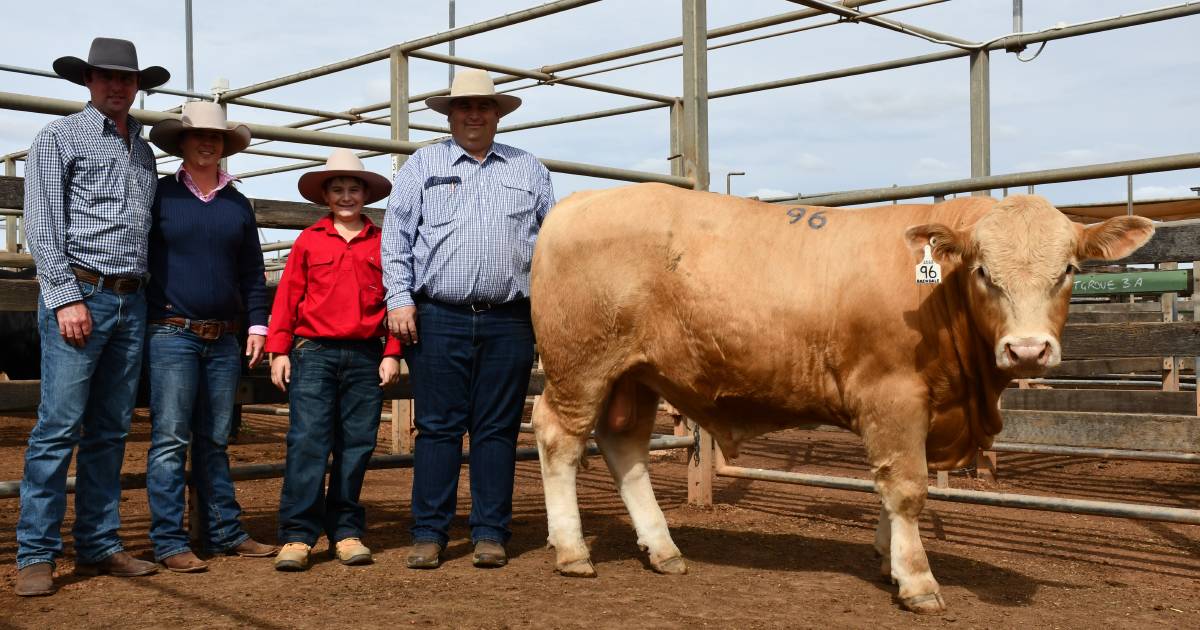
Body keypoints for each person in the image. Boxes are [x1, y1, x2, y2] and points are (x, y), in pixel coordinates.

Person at [382, 68, 554, 569]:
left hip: (510, 317)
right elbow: (396, 238)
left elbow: (552, 242)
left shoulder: (528, 169)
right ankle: (430, 533)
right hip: (438, 314)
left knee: (496, 428)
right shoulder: (422, 165)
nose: (474, 114)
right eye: (464, 107)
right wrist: (399, 299)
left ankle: (489, 532)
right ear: (450, 115)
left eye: (484, 107)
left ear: (497, 115)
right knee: (437, 427)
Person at [16, 37, 169, 597]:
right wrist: (64, 296)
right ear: (87, 81)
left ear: (136, 86)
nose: (116, 86)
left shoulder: (143, 151)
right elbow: (42, 222)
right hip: (84, 293)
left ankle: (101, 542)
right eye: (106, 77)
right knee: (57, 426)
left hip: (132, 298)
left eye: (126, 79)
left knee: (110, 429)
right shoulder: (60, 137)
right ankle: (36, 551)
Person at [142, 100, 277, 573]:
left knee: (215, 438)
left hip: (224, 337)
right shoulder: (159, 195)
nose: (206, 142)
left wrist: (257, 324)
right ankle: (168, 540)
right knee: (172, 438)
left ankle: (224, 532)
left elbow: (252, 271)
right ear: (182, 143)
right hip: (171, 331)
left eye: (215, 137)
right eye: (197, 135)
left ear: (224, 147)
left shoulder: (237, 203)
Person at [267, 149, 402, 571]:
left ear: (366, 195)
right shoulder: (309, 240)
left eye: (353, 188)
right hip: (314, 352)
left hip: (365, 354)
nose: (346, 196)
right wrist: (278, 349)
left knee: (357, 445)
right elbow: (287, 296)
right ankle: (297, 535)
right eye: (338, 189)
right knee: (308, 441)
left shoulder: (383, 242)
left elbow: (395, 299)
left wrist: (392, 352)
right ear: (326, 197)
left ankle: (345, 530)